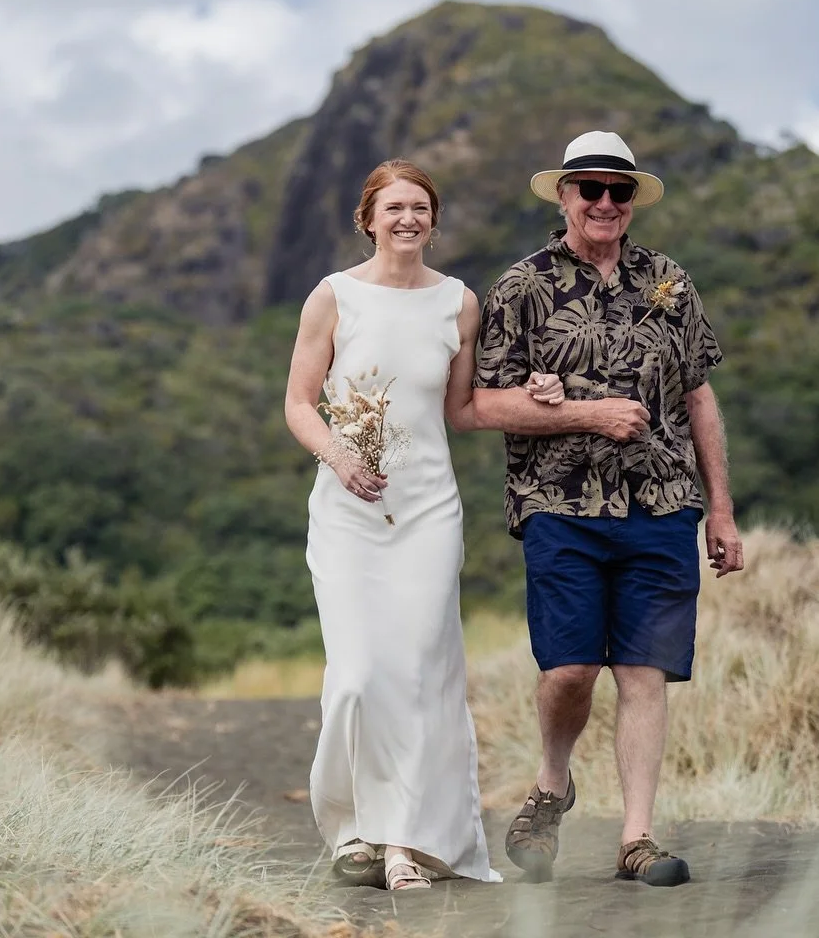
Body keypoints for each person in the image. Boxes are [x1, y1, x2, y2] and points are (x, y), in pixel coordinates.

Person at [472, 131, 745, 888]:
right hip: (559, 504)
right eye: (588, 189)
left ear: (632, 203)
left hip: (660, 504)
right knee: (569, 671)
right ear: (562, 196)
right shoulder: (521, 287)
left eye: (617, 192)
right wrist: (582, 416)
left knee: (644, 670)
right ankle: (553, 783)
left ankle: (636, 839)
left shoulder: (670, 282)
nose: (603, 203)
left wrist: (719, 510)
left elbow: (697, 394)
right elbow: (481, 402)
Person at [283, 159, 564, 891]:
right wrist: (341, 459)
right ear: (368, 218)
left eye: (421, 207)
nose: (408, 218)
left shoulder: (459, 304)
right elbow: (297, 404)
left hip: (430, 512)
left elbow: (465, 409)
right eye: (394, 207)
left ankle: (409, 840)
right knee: (356, 677)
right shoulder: (333, 296)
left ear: (433, 223)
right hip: (347, 513)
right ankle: (351, 831)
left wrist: (539, 394)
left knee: (419, 677)